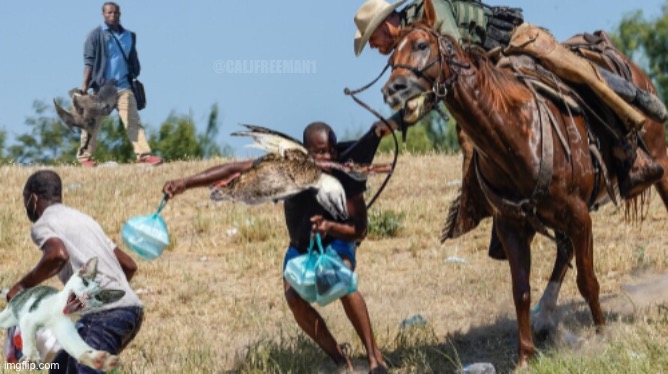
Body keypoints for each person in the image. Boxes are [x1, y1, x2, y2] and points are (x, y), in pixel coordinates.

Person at [354, 0, 665, 199]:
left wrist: (404, 115)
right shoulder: (410, 44)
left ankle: (630, 119)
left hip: (515, 44)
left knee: (575, 73)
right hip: (489, 71)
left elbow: (456, 61)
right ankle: (497, 206)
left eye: (372, 40)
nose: (374, 48)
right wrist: (397, 120)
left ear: (385, 26)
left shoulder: (428, 8)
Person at [163, 122, 388, 373]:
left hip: (336, 240)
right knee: (294, 299)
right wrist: (186, 183)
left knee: (340, 281)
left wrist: (330, 227)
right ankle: (339, 360)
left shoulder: (343, 173)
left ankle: (374, 357)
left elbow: (360, 230)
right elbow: (236, 169)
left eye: (331, 151)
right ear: (304, 152)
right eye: (320, 152)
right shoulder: (284, 169)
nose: (328, 158)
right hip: (301, 247)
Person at [6, 170, 143, 373]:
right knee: (61, 367)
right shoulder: (85, 220)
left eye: (25, 199)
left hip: (105, 315)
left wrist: (22, 286)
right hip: (131, 312)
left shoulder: (44, 223)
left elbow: (58, 255)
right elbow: (129, 265)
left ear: (33, 199)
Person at [78, 2, 162, 167]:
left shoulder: (129, 36)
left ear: (120, 14)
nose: (113, 15)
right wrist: (84, 86)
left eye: (116, 12)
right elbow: (89, 62)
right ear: (103, 14)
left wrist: (134, 73)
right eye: (109, 13)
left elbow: (133, 59)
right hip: (102, 89)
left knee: (133, 121)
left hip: (124, 87)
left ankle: (144, 155)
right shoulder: (95, 35)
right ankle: (84, 158)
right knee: (92, 123)